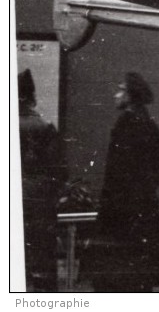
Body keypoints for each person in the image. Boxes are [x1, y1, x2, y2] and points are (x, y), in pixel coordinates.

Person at [90, 72, 159, 292]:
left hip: (121, 217)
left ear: (131, 95)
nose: (116, 94)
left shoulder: (128, 126)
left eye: (120, 89)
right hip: (141, 215)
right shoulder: (149, 125)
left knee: (115, 280)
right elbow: (152, 173)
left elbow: (119, 175)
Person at [18, 69, 67, 292]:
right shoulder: (45, 127)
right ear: (32, 98)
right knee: (42, 268)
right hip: (41, 205)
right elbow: (59, 171)